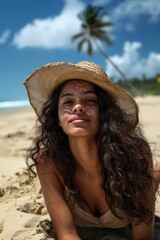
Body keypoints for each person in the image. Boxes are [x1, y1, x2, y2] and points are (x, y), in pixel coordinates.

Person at [24, 61, 160, 240]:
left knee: (153, 176)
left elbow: (143, 237)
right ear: (57, 117)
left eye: (89, 100)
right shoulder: (49, 161)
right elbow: (67, 234)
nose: (78, 107)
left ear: (104, 112)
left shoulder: (135, 154)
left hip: (131, 204)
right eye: (68, 101)